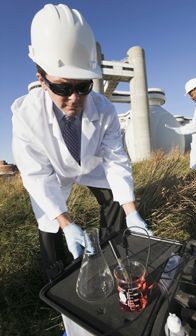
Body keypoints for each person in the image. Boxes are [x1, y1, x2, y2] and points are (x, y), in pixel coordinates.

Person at [12, 3, 152, 281]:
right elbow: (36, 175)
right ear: (41, 79)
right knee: (50, 222)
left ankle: (114, 251)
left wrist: (132, 211)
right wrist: (66, 222)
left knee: (115, 198)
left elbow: (115, 159)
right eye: (63, 87)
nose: (74, 97)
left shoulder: (104, 110)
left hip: (90, 165)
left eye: (83, 86)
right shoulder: (26, 115)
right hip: (53, 172)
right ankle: (58, 275)